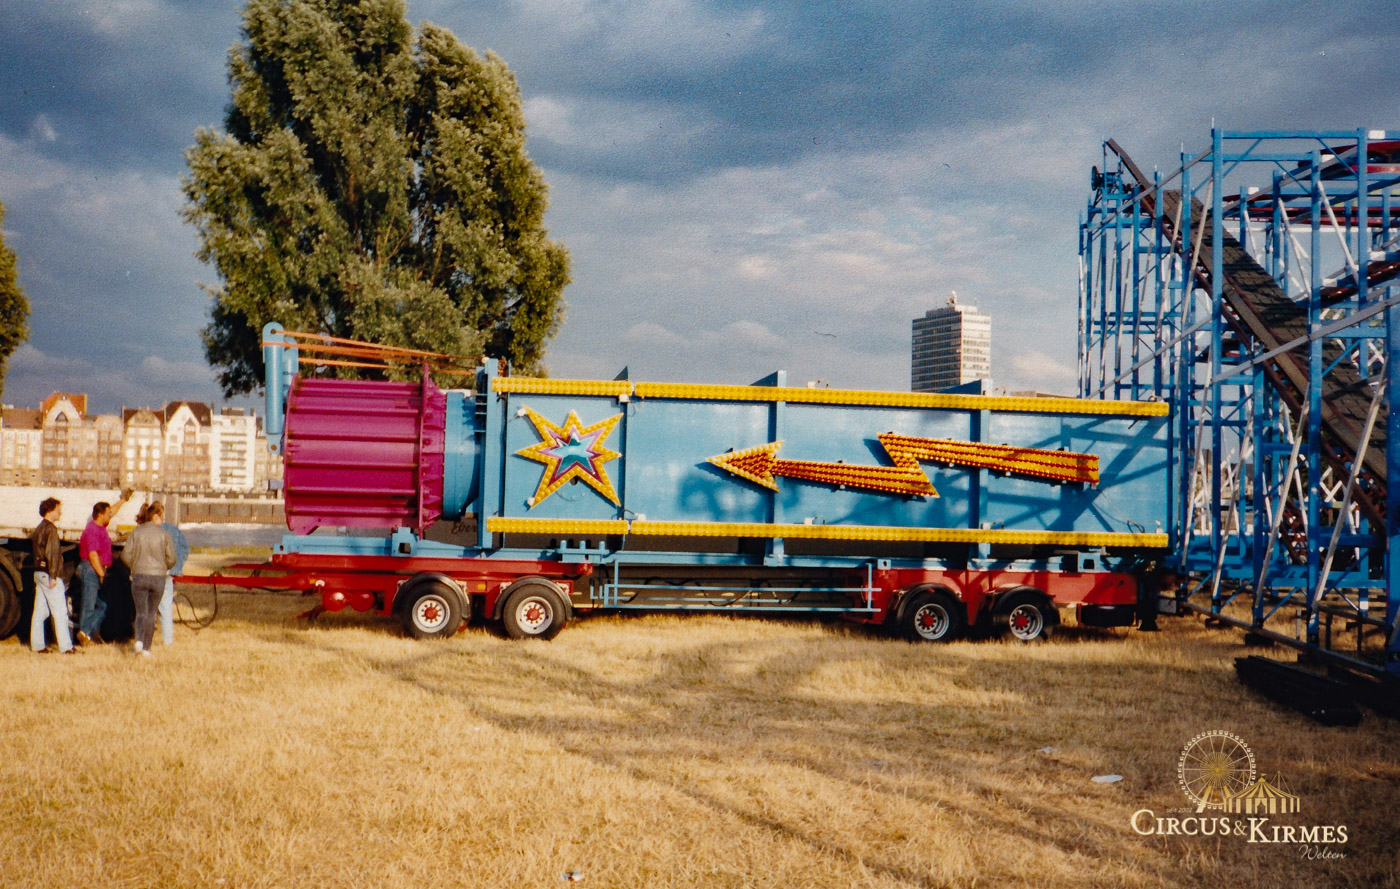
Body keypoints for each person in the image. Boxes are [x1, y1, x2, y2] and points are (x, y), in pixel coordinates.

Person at [75, 488, 132, 646]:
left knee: (103, 604)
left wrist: (123, 500)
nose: (110, 516)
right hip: (91, 569)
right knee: (90, 603)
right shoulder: (92, 531)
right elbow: (93, 555)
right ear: (100, 514)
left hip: (98, 569)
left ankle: (87, 632)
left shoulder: (100, 527)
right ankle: (85, 633)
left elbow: (112, 510)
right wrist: (101, 574)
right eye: (107, 514)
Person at [121, 501, 175, 657]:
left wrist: (135, 566)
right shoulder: (165, 535)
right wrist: (164, 567)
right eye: (162, 517)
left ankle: (138, 639)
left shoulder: (136, 533)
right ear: (156, 516)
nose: (163, 520)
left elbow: (125, 555)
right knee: (152, 613)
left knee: (141, 612)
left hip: (139, 576)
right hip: (158, 578)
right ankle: (146, 648)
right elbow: (172, 558)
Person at [29, 497, 74, 654]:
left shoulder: (38, 528)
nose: (60, 512)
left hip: (39, 573)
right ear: (50, 510)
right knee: (60, 611)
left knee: (40, 612)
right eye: (57, 509)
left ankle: (37, 645)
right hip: (49, 574)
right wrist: (54, 576)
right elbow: (52, 554)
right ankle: (66, 647)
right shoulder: (51, 530)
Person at [157, 516, 189, 646]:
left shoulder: (148, 531)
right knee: (166, 609)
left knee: (146, 611)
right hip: (168, 574)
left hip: (150, 573)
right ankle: (168, 641)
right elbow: (186, 549)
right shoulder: (174, 530)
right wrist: (176, 567)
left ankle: (142, 641)